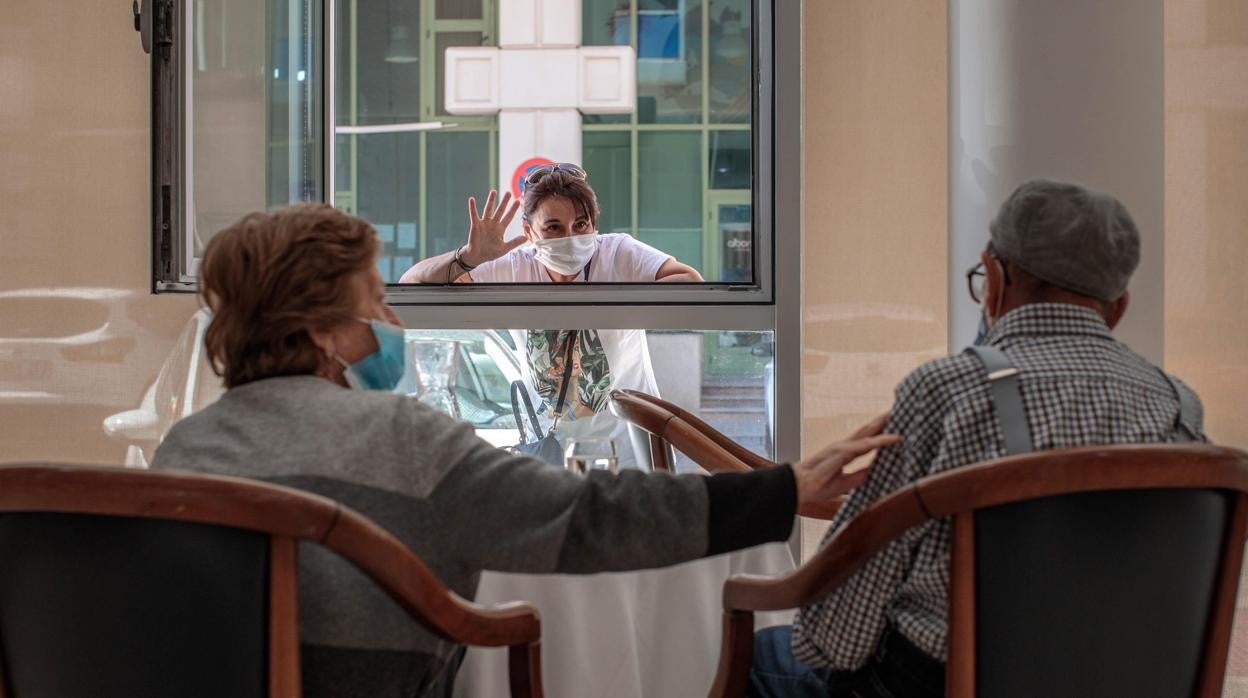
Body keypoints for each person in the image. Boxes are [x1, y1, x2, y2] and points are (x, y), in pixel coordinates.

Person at [152, 202, 895, 698]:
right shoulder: (402, 441)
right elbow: (588, 517)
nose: (391, 319)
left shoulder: (186, 449)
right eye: (375, 301)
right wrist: (783, 490)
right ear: (320, 331)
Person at [747, 179, 1209, 698]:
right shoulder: (1180, 407)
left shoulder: (946, 392)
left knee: (763, 657)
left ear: (991, 280)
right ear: (1118, 307)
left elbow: (833, 639)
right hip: (1132, 682)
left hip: (952, 683)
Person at [399, 164, 703, 468]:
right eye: (553, 227)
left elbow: (690, 283)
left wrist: (617, 301)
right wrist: (467, 259)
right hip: (549, 453)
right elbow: (411, 285)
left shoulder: (618, 253)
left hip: (627, 452)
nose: (569, 237)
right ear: (530, 232)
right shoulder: (513, 266)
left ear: (594, 226)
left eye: (581, 224)